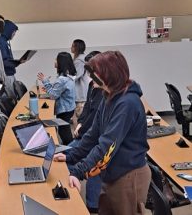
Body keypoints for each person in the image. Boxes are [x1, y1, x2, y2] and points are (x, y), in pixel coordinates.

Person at [54, 51, 151, 215]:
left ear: (109, 74)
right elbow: (93, 134)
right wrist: (72, 155)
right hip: (112, 172)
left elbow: (106, 145)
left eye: (94, 73)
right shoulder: (108, 96)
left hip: (128, 175)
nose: (91, 78)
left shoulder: (127, 103)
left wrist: (79, 171)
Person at [69, 51, 103, 213]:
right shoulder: (92, 85)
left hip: (94, 139)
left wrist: (83, 132)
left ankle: (92, 205)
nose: (89, 76)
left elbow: (96, 116)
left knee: (94, 165)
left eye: (92, 71)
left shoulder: (104, 91)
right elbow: (88, 108)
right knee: (66, 156)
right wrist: (80, 124)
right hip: (88, 135)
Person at [37, 52, 76, 145]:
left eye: (56, 59)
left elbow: (53, 95)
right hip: (69, 108)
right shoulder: (68, 76)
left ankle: (70, 149)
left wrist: (45, 82)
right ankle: (70, 147)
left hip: (64, 110)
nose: (55, 61)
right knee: (64, 130)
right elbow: (58, 90)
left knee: (64, 132)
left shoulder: (62, 79)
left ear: (61, 62)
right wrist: (49, 87)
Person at [0, 19, 26, 93]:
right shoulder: (1, 42)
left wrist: (18, 62)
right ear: (8, 31)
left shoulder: (5, 41)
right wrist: (17, 62)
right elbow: (4, 62)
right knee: (11, 97)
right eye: (13, 32)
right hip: (6, 75)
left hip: (10, 74)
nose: (14, 34)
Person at [71, 39, 90, 128]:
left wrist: (65, 79)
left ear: (76, 47)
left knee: (79, 118)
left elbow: (77, 76)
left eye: (72, 46)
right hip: (82, 92)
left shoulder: (79, 60)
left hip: (80, 93)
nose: (71, 48)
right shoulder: (82, 58)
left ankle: (78, 137)